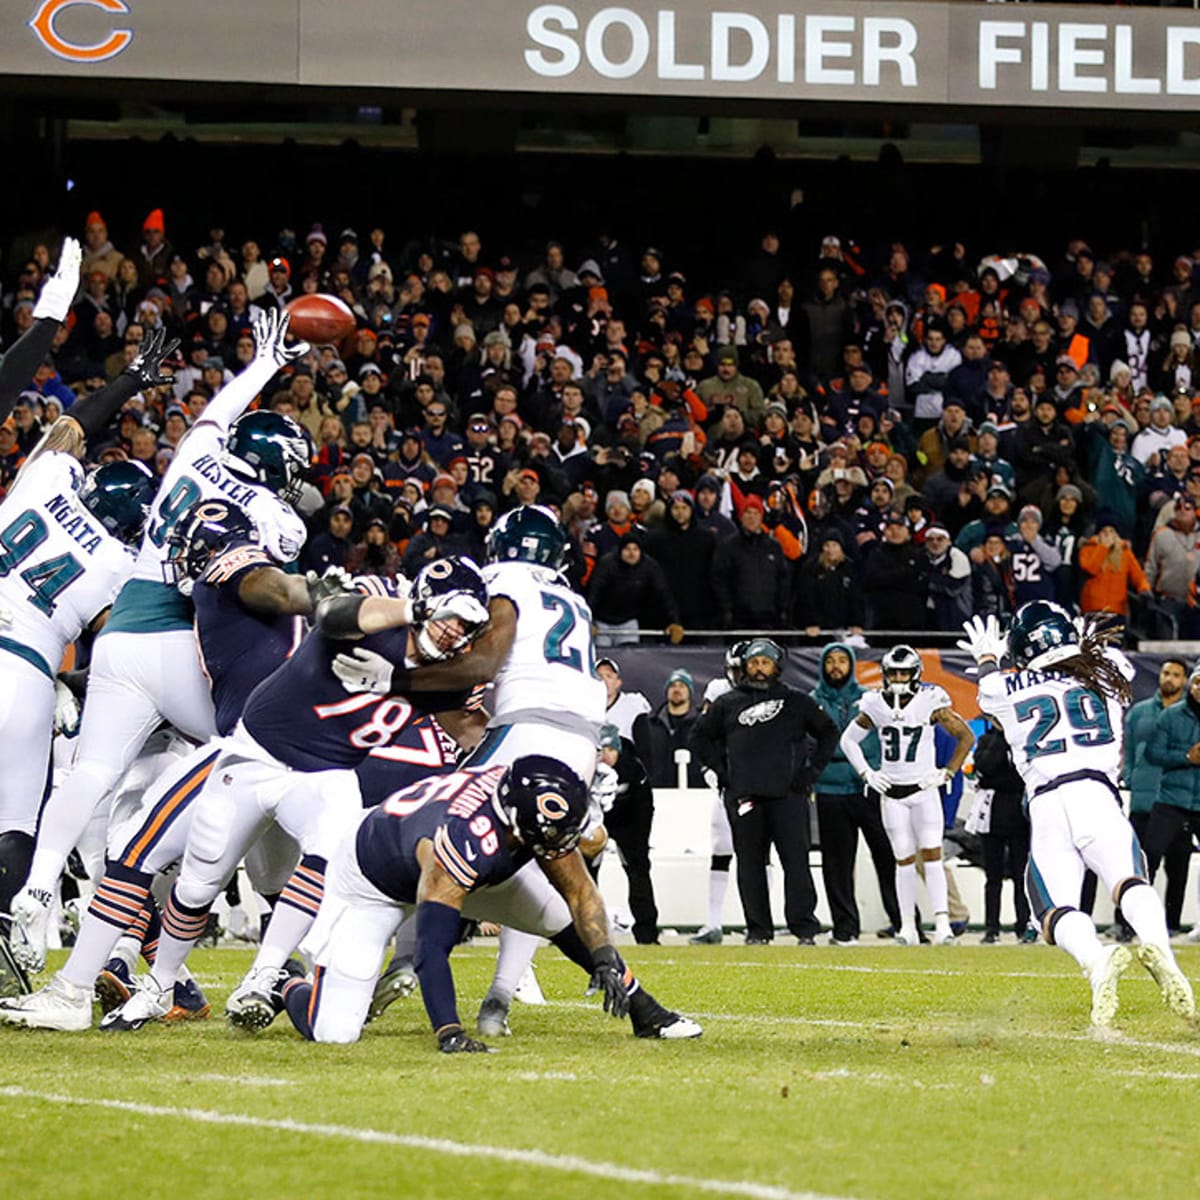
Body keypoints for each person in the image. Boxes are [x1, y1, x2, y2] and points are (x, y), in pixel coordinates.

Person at [8, 311, 311, 969]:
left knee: (90, 773)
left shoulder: (192, 458)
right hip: (179, 640)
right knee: (253, 751)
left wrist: (262, 364)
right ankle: (239, 926)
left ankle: (38, 886)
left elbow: (215, 414)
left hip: (119, 639)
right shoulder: (274, 516)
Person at [330, 505, 696, 1038]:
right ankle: (546, 996)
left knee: (439, 848)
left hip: (523, 731)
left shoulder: (503, 581)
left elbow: (480, 665)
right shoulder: (573, 599)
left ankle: (402, 960)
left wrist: (394, 682)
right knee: (542, 867)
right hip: (580, 744)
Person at [97, 558, 491, 1031]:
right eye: (450, 615)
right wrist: (411, 610)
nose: (454, 630)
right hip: (259, 752)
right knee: (199, 880)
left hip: (328, 772)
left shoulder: (452, 673)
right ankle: (159, 984)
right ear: (424, 602)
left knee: (328, 857)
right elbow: (335, 614)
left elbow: (474, 733)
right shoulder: (380, 619)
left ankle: (265, 976)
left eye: (467, 623)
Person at [0, 499, 330, 1029]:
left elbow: (275, 587)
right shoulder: (266, 589)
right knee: (282, 876)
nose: (179, 559)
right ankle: (302, 979)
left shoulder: (229, 569)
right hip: (305, 756)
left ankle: (73, 992)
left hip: (250, 749)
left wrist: (317, 594)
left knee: (133, 853)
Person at [280, 756, 697, 1047]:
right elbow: (431, 947)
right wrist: (449, 1032)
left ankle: (647, 1012)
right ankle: (289, 981)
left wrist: (604, 955)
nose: (562, 847)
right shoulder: (461, 840)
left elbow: (580, 892)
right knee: (334, 1031)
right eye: (553, 837)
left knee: (556, 915)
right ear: (517, 823)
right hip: (372, 883)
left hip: (471, 865)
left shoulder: (525, 802)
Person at [958, 602, 1193, 1028]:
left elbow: (989, 695)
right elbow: (1107, 659)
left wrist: (989, 658)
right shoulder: (1108, 669)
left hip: (1048, 800)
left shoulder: (1007, 689)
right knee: (1128, 881)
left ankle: (1098, 961)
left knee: (1053, 911)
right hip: (1098, 793)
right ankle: (1161, 949)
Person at [0, 452, 154, 945]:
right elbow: (123, 646)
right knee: (16, 824)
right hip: (24, 671)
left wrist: (127, 382)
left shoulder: (42, 484)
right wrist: (72, 682)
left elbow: (68, 431)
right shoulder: (117, 563)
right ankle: (6, 944)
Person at [690, 638, 838, 945]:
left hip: (789, 796)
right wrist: (724, 773)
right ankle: (758, 930)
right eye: (754, 663)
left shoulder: (796, 701)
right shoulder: (727, 703)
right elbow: (699, 738)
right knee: (750, 864)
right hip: (745, 798)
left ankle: (805, 929)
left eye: (765, 662)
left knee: (796, 863)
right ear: (744, 667)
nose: (759, 668)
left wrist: (810, 773)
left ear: (776, 666)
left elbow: (828, 732)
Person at [839, 645, 974, 945]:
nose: (899, 678)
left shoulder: (931, 700)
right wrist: (867, 773)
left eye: (904, 672)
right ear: (885, 674)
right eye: (894, 672)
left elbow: (966, 736)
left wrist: (948, 772)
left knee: (933, 856)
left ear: (915, 674)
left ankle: (943, 925)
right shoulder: (875, 703)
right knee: (902, 859)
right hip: (893, 794)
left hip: (924, 790)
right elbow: (849, 741)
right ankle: (907, 927)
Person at [810, 643, 901, 946]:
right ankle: (845, 929)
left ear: (851, 665)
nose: (836, 666)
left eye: (841, 661)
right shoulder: (813, 702)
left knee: (889, 856)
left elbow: (882, 741)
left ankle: (904, 922)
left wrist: (873, 770)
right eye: (830, 661)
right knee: (836, 864)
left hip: (869, 788)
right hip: (829, 789)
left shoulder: (870, 700)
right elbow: (810, 745)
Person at [1123, 658, 1191, 937]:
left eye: (1176, 675)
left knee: (1177, 867)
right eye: (1165, 673)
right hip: (1142, 798)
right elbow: (1127, 748)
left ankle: (1171, 925)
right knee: (1136, 864)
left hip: (1176, 800)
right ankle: (1127, 924)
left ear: (1184, 680)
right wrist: (1130, 776)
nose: (1169, 679)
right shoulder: (1138, 713)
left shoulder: (1189, 714)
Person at [1142, 664, 1200, 937]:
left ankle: (1175, 924)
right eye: (1198, 682)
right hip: (1171, 798)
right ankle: (1134, 919)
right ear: (1191, 684)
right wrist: (1187, 758)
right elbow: (1153, 753)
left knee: (1180, 869)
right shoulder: (1171, 716)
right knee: (1150, 856)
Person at [971, 722, 1033, 944]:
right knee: (992, 876)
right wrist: (999, 737)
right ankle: (991, 928)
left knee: (1021, 875)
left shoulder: (1023, 741)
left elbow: (1022, 776)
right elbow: (984, 765)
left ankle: (1023, 925)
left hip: (1019, 816)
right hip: (993, 815)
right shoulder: (988, 741)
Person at [598, 723, 659, 945]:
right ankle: (577, 932)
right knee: (583, 875)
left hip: (629, 822)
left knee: (638, 871)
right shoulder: (585, 768)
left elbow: (644, 807)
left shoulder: (633, 769)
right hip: (595, 820)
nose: (605, 756)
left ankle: (647, 933)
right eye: (601, 751)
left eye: (610, 750)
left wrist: (640, 841)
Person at [633, 668, 704, 788]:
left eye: (682, 686)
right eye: (672, 686)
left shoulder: (703, 724)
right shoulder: (649, 724)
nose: (676, 689)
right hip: (658, 793)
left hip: (695, 793)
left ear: (689, 691)